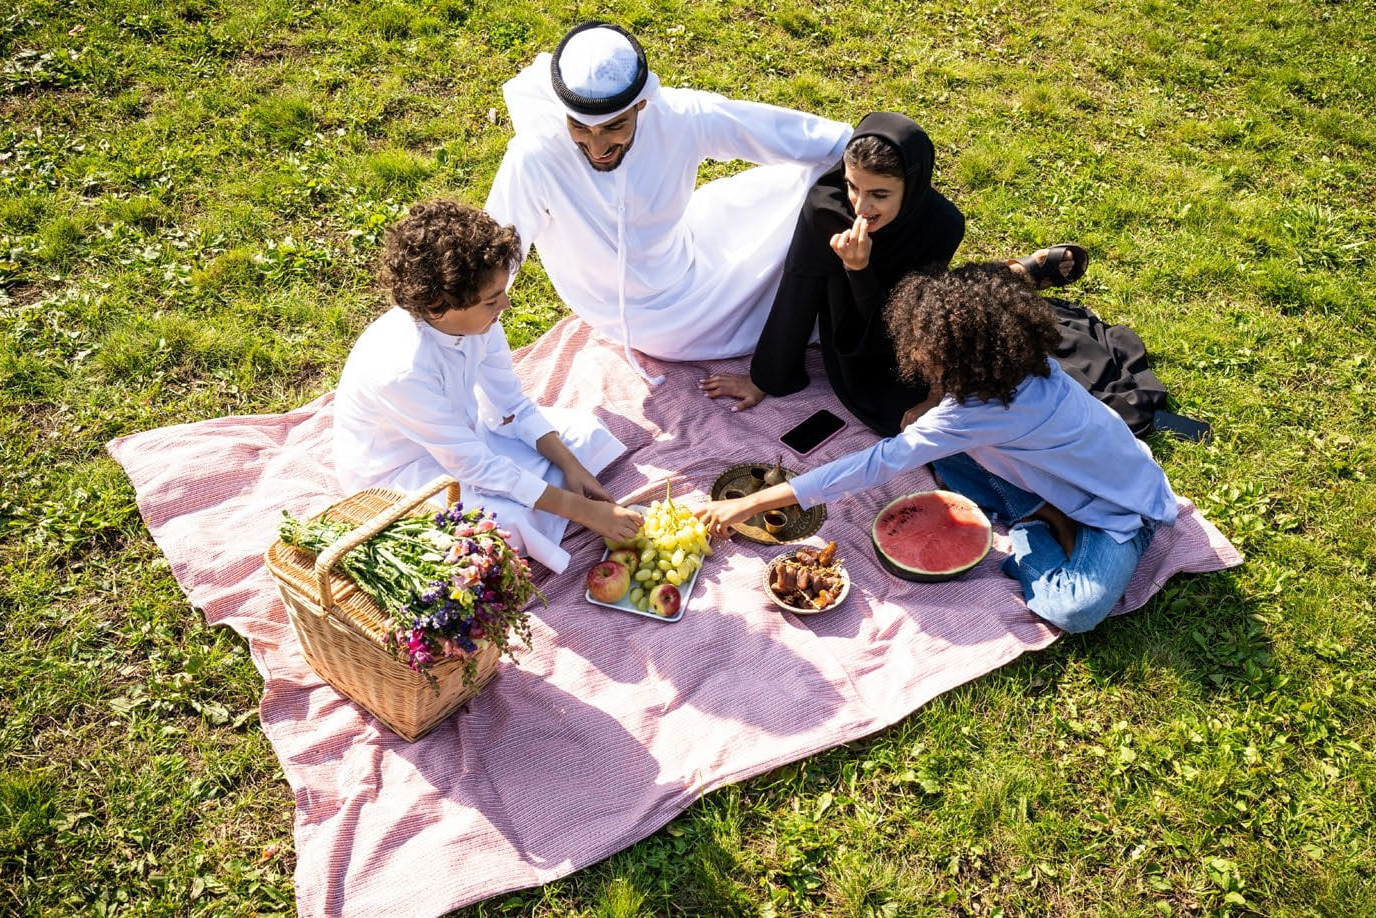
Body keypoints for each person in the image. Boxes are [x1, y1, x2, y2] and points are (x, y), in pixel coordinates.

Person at [699, 263, 1178, 634]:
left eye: (930, 359)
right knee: (926, 438)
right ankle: (1042, 508)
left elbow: (873, 465)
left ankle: (1034, 527)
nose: (921, 363)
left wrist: (755, 500)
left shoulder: (974, 415)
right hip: (1056, 468)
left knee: (1074, 610)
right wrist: (931, 404)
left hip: (1122, 509)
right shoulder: (1024, 366)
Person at [483, 20, 852, 381]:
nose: (597, 148)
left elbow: (809, 138)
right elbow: (491, 257)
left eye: (614, 127)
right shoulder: (535, 155)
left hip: (691, 249)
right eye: (580, 128)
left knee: (822, 184)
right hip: (669, 320)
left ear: (641, 106)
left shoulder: (680, 116)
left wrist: (888, 159)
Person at [698, 113, 1090, 435]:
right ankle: (1012, 274)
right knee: (893, 416)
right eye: (853, 187)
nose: (861, 207)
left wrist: (860, 268)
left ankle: (1013, 276)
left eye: (879, 195)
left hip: (905, 317)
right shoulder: (827, 208)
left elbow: (909, 315)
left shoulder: (942, 225)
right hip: (852, 324)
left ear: (913, 186)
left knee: (970, 397)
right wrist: (766, 377)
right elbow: (799, 287)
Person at [332, 201, 641, 574]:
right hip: (405, 472)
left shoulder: (480, 322)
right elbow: (474, 466)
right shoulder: (403, 371)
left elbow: (511, 403)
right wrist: (585, 511)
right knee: (505, 527)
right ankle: (552, 510)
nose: (506, 305)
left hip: (464, 436)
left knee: (584, 435)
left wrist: (571, 466)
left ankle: (558, 490)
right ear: (437, 306)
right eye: (493, 300)